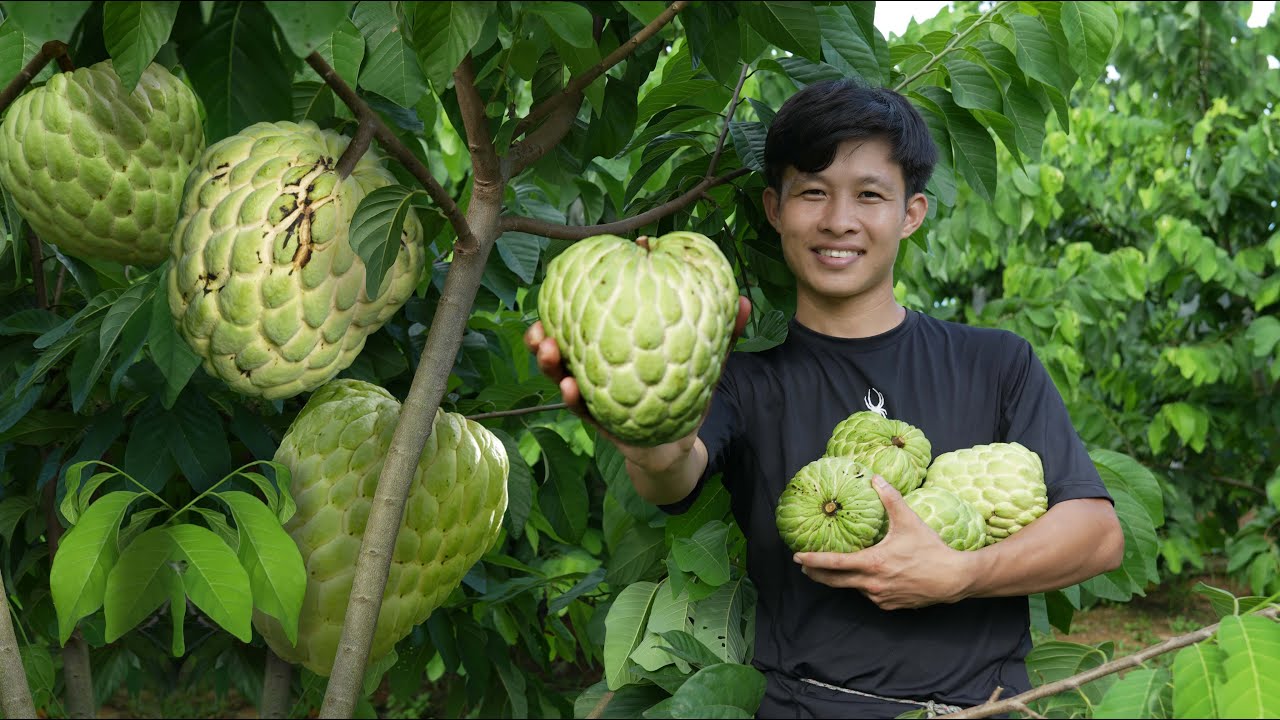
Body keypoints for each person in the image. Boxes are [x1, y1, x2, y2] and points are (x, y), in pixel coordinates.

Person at [524, 78, 1124, 719]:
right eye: (813, 192)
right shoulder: (747, 382)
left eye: (869, 195)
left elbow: (1095, 533)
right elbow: (673, 474)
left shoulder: (996, 361)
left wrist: (958, 574)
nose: (839, 220)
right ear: (775, 208)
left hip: (979, 707)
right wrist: (645, 432)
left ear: (911, 213)